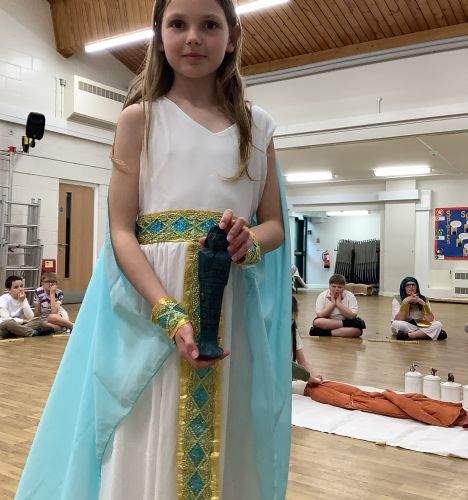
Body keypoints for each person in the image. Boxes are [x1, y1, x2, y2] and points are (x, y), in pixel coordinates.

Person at [15, 1, 292, 499]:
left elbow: (274, 224)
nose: (193, 37)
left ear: (232, 36)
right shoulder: (139, 119)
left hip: (230, 309)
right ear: (159, 36)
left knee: (231, 440)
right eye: (178, 24)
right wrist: (166, 310)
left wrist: (249, 240)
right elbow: (121, 231)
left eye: (210, 24)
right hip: (150, 313)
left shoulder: (258, 127)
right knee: (146, 434)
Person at [391, 276, 447, 340]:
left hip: (420, 325)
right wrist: (404, 303)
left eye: (413, 285)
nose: (411, 287)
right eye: (408, 285)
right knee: (396, 324)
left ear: (417, 287)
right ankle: (428, 334)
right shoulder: (397, 299)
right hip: (406, 325)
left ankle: (409, 335)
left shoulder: (423, 299)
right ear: (403, 288)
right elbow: (399, 319)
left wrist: (423, 304)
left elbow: (430, 319)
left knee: (438, 324)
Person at [291, 295, 322, 384]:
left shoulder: (293, 331)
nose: (288, 324)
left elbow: (302, 361)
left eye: (292, 320)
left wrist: (315, 376)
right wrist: (308, 377)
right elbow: (283, 364)